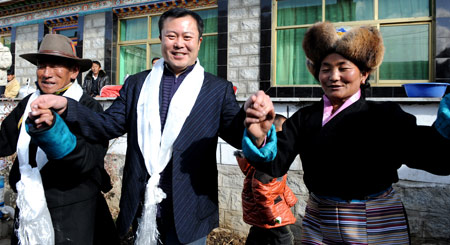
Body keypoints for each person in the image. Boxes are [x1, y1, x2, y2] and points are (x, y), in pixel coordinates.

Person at [29, 8, 271, 245]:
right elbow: (108, 124)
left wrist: (256, 133)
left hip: (189, 210)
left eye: (187, 37)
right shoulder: (137, 84)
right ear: (161, 39)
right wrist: (67, 105)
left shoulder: (216, 89)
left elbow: (236, 134)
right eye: (171, 36)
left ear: (199, 41)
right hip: (141, 203)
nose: (179, 44)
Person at [243, 22, 450, 244]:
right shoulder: (304, 119)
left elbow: (429, 155)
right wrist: (259, 136)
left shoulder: (385, 116)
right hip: (319, 220)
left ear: (364, 74)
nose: (333, 76)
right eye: (325, 68)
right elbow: (275, 164)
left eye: (343, 68)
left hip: (377, 219)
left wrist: (445, 129)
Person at [0, 34, 118, 244]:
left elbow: (86, 160)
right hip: (29, 205)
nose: (46, 74)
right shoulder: (29, 102)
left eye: (56, 66)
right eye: (42, 66)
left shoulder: (87, 107)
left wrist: (53, 131)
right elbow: (4, 140)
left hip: (72, 212)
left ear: (73, 72)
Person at [235, 114, 297, 245]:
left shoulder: (268, 156)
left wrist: (290, 199)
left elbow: (279, 186)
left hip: (268, 209)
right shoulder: (269, 162)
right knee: (284, 237)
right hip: (273, 213)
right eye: (283, 132)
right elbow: (261, 191)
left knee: (259, 232)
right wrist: (272, 217)